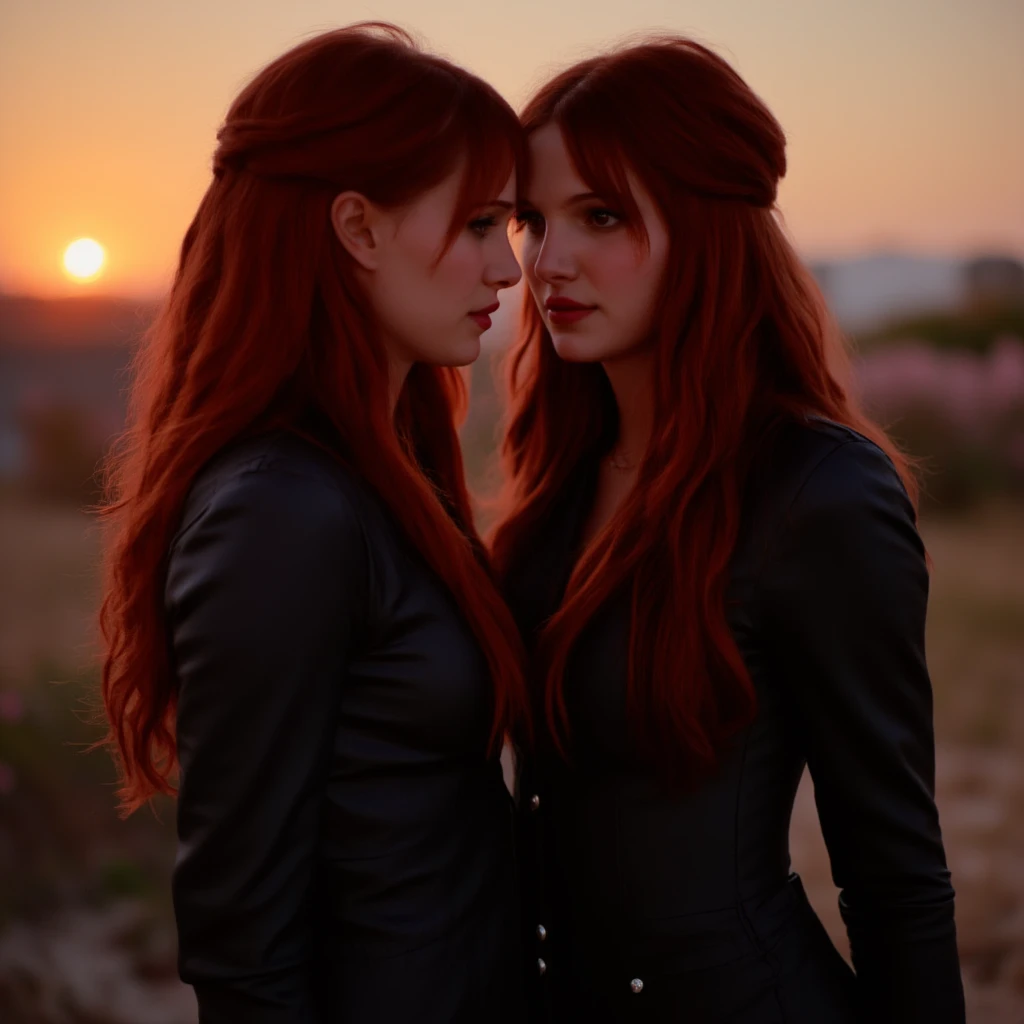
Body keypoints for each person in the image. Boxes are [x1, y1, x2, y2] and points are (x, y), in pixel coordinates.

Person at [492, 36, 965, 1023]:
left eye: (602, 214)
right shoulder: (559, 484)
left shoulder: (818, 491)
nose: (549, 260)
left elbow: (893, 870)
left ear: (706, 227)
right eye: (531, 220)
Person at [97, 24, 529, 1023]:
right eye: (477, 225)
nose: (507, 270)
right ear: (358, 228)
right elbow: (239, 934)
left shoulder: (389, 469)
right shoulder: (281, 511)